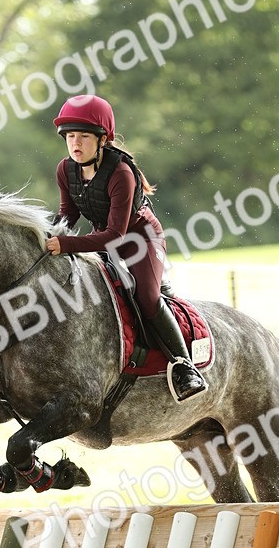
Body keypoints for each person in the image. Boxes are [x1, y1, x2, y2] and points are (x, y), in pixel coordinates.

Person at [45, 94, 206, 402]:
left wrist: (65, 244)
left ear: (103, 139)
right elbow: (68, 215)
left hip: (140, 239)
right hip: (103, 236)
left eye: (83, 137)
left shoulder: (121, 172)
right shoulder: (65, 170)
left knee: (146, 297)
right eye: (70, 137)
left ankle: (185, 365)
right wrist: (46, 234)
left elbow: (115, 235)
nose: (74, 144)